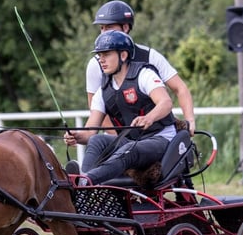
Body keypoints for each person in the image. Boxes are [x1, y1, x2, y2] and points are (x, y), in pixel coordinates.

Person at [64, 30, 177, 185]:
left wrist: (149, 118)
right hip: (133, 142)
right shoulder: (103, 91)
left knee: (129, 149)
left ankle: (86, 181)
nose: (101, 60)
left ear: (123, 56)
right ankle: (82, 181)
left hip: (162, 139)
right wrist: (76, 136)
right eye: (99, 56)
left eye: (106, 54)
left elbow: (166, 102)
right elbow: (90, 132)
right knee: (97, 140)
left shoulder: (144, 75)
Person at [87, 0, 195, 134]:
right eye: (101, 28)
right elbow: (95, 107)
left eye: (108, 27)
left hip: (153, 133)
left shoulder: (150, 56)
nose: (103, 33)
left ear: (125, 27)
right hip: (116, 136)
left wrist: (189, 120)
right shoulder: (95, 64)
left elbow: (180, 88)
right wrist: (119, 138)